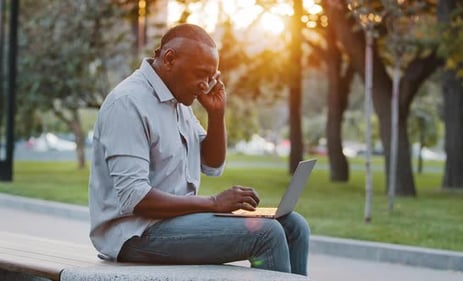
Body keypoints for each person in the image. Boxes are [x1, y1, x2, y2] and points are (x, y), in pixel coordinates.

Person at [88, 23, 310, 276]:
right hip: (134, 234)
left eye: (211, 76)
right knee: (264, 234)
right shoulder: (128, 103)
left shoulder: (179, 101)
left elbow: (212, 164)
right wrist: (213, 203)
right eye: (201, 74)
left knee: (294, 225)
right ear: (170, 59)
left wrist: (216, 114)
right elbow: (134, 197)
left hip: (176, 224)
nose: (206, 85)